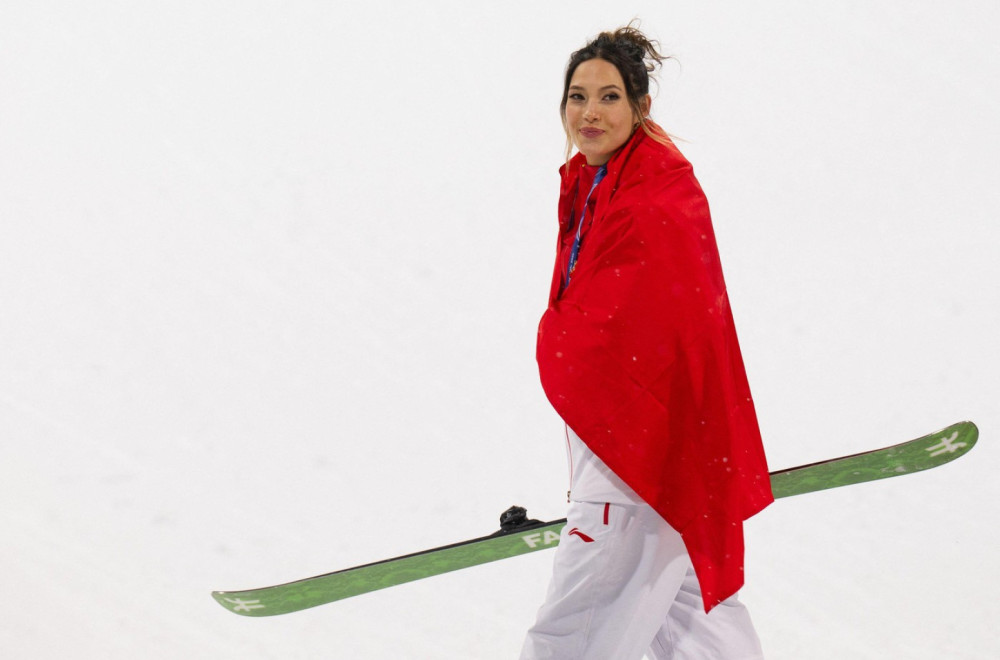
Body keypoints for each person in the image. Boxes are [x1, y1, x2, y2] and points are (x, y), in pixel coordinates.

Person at [521, 24, 773, 660]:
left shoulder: (653, 196)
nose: (590, 112)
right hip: (661, 459)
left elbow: (626, 332)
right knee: (695, 629)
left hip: (635, 462)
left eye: (609, 97)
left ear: (640, 106)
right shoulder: (606, 183)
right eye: (577, 97)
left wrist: (556, 334)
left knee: (571, 639)